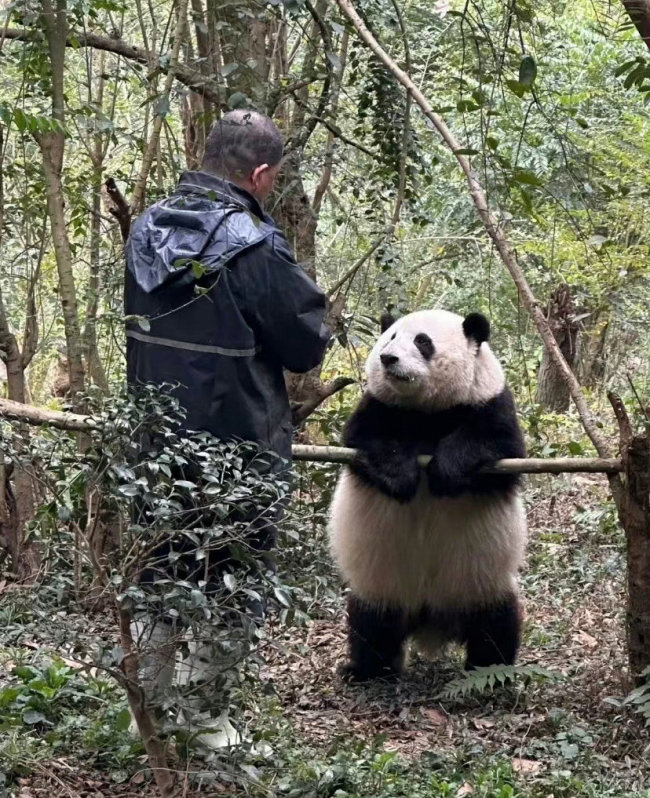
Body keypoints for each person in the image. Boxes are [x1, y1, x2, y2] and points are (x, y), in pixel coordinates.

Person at [124, 109, 331, 747]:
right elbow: (304, 345)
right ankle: (204, 718)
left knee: (159, 566)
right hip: (241, 445)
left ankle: (150, 713)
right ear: (261, 173)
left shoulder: (147, 228)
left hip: (153, 442)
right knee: (236, 575)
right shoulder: (256, 245)